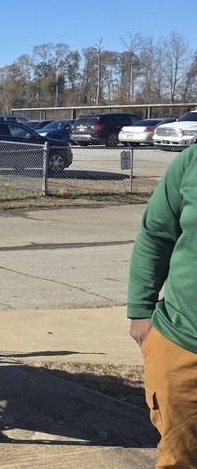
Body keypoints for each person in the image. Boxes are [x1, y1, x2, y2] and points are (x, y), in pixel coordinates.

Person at [128, 146, 197, 467]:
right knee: (179, 460)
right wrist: (141, 311)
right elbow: (156, 232)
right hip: (183, 346)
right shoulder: (192, 161)